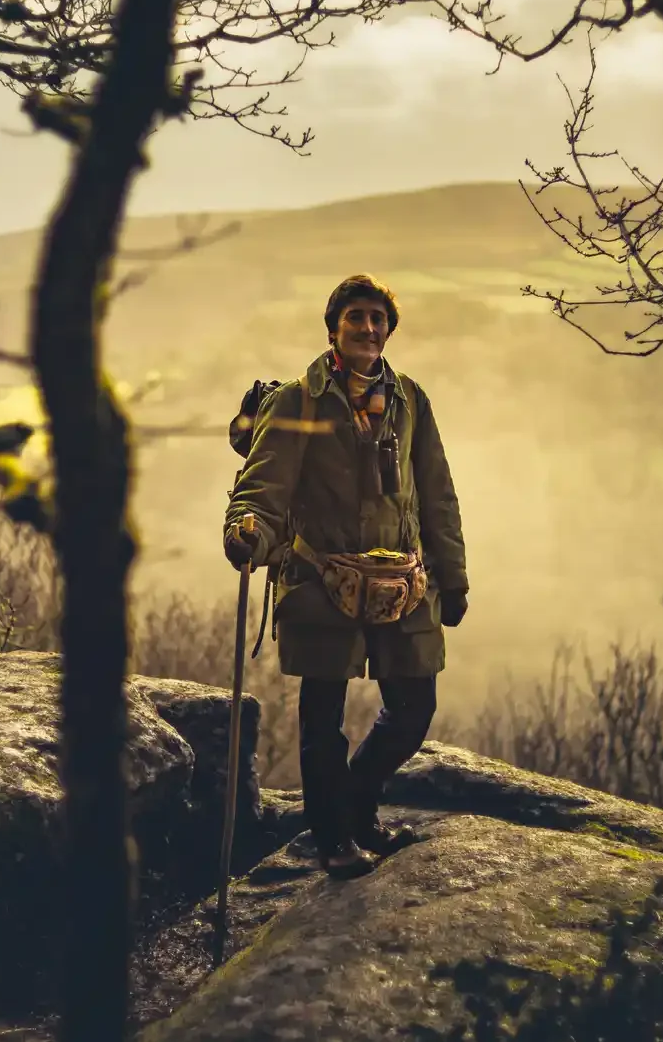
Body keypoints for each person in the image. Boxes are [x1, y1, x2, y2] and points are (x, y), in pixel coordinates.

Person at [223, 274, 468, 879]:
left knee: (414, 708)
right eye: (356, 317)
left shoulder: (410, 398)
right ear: (333, 326)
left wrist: (453, 576)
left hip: (405, 582)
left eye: (378, 319)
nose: (368, 328)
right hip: (319, 578)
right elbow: (262, 487)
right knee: (322, 718)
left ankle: (355, 804)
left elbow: (437, 491)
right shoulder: (298, 401)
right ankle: (335, 839)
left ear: (389, 328)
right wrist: (246, 533)